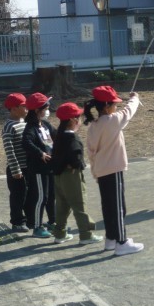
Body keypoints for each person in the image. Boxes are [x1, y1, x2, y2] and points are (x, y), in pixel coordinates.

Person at [84, 85, 144, 256]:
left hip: (101, 171)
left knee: (108, 206)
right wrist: (135, 98)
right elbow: (129, 111)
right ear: (106, 106)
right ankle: (121, 242)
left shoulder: (94, 125)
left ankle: (111, 238)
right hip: (113, 169)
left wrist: (95, 172)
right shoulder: (113, 120)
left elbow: (91, 152)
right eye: (114, 104)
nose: (116, 106)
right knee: (118, 207)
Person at [51, 102, 103, 245]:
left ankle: (60, 233)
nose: (80, 119)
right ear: (73, 120)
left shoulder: (59, 135)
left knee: (62, 205)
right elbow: (76, 157)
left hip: (58, 175)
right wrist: (77, 165)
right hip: (71, 176)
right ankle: (86, 234)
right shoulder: (72, 137)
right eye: (78, 117)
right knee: (79, 204)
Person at [22, 92, 57, 238]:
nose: (48, 111)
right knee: (41, 198)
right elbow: (26, 142)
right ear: (37, 110)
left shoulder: (46, 125)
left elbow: (57, 136)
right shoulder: (30, 127)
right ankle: (37, 226)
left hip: (50, 167)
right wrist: (40, 153)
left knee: (52, 196)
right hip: (38, 169)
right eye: (46, 108)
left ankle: (53, 222)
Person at [2, 93, 30, 232]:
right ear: (14, 109)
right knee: (18, 195)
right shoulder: (9, 126)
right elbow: (9, 149)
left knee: (28, 194)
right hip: (17, 169)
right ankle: (17, 221)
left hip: (28, 166)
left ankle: (29, 218)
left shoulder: (25, 123)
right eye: (24, 106)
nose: (27, 109)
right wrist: (15, 169)